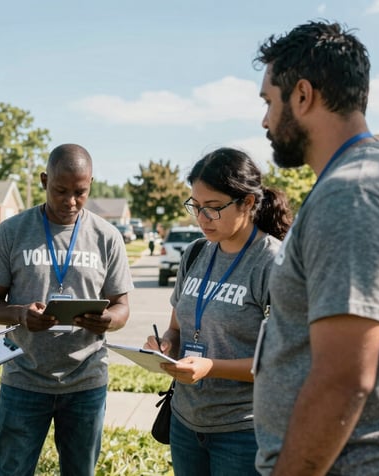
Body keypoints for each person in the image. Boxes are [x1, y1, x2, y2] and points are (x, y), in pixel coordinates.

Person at [252, 21, 379, 474]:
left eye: (268, 102)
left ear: (302, 95)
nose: (264, 120)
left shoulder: (354, 194)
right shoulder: (367, 177)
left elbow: (342, 379)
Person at [0, 143, 134, 476]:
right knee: (12, 470)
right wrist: (20, 314)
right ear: (43, 180)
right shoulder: (12, 231)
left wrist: (108, 320)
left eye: (80, 192)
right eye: (60, 190)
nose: (71, 201)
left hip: (86, 381)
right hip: (24, 378)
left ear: (91, 184)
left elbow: (122, 307)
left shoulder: (106, 236)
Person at [144, 147, 292, 476]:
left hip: (243, 432)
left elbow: (281, 364)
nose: (201, 219)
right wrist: (165, 346)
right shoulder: (196, 253)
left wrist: (211, 367)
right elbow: (177, 329)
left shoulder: (273, 263)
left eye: (213, 208)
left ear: (248, 202)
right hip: (185, 422)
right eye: (195, 207)